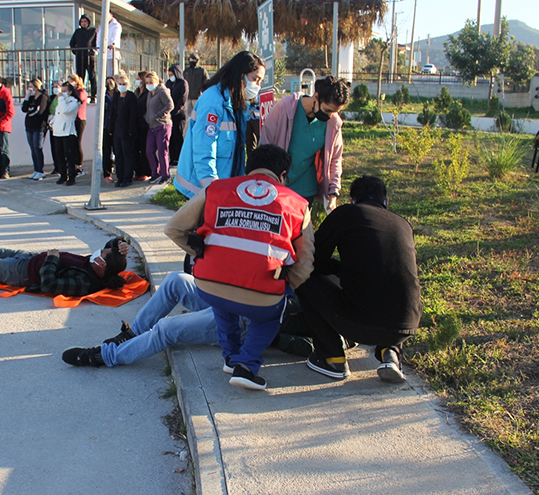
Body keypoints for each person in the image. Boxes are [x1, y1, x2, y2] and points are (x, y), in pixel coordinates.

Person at [165, 144, 314, 390]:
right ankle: (246, 365)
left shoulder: (216, 189)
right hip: (262, 293)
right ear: (283, 175)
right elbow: (306, 262)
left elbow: (173, 228)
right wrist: (285, 286)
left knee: (223, 302)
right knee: (270, 314)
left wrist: (201, 254)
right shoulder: (297, 204)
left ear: (247, 168)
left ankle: (230, 357)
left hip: (209, 286)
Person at [295, 175, 422, 384]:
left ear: (353, 200)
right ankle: (390, 354)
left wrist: (336, 268)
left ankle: (332, 357)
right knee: (392, 286)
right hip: (406, 324)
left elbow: (311, 260)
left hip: (360, 323)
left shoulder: (346, 214)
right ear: (386, 202)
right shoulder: (403, 224)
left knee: (302, 277)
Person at [61, 271, 315, 368]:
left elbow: (314, 345)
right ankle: (134, 333)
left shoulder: (343, 321)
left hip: (247, 324)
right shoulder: (326, 276)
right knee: (175, 281)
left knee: (167, 329)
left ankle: (105, 357)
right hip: (233, 296)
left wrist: (273, 338)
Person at [174, 51, 265, 199]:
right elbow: (204, 151)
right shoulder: (213, 102)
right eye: (255, 79)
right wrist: (215, 191)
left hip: (223, 184)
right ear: (241, 75)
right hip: (202, 189)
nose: (257, 86)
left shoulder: (236, 101)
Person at [0, 238, 129, 297]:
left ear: (103, 265)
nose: (100, 251)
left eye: (104, 254)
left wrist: (52, 259)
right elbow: (110, 245)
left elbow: (49, 285)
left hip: (22, 273)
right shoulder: (95, 266)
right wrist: (120, 243)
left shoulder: (84, 282)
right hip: (29, 259)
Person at [259, 76, 351, 210]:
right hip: (277, 187)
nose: (330, 116)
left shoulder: (333, 123)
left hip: (305, 189)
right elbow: (265, 145)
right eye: (328, 110)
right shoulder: (285, 108)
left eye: (335, 112)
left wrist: (333, 192)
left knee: (302, 230)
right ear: (316, 96)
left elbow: (335, 159)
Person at [144, 71, 174, 185]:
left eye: (151, 82)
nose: (149, 84)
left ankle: (165, 175)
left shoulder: (162, 91)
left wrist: (159, 114)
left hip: (163, 125)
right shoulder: (150, 93)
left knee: (162, 151)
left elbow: (170, 104)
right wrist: (148, 117)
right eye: (147, 82)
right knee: (149, 150)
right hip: (152, 126)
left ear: (156, 81)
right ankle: (155, 173)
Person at [110, 72, 138, 187]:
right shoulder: (116, 96)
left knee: (127, 155)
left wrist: (131, 130)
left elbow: (133, 115)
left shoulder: (131, 97)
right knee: (118, 155)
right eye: (120, 83)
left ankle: (127, 177)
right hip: (117, 130)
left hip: (127, 131)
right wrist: (111, 128)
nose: (122, 85)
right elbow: (113, 113)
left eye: (124, 83)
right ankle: (120, 177)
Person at [51, 82, 81, 186]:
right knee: (60, 154)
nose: (62, 93)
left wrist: (61, 99)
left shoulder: (73, 102)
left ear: (70, 91)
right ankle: (62, 175)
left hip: (68, 131)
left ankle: (71, 175)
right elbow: (58, 113)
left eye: (64, 91)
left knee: (69, 155)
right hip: (58, 131)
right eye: (61, 91)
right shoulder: (61, 101)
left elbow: (65, 110)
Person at [21, 78, 48, 180]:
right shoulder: (31, 98)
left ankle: (40, 170)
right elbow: (24, 109)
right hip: (29, 126)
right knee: (32, 148)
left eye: (31, 87)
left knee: (37, 148)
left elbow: (39, 111)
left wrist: (30, 111)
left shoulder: (43, 97)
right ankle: (36, 169)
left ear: (37, 87)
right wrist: (27, 97)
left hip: (39, 126)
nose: (30, 89)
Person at [69, 14, 97, 103]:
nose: (84, 23)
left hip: (90, 56)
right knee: (80, 77)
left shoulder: (93, 31)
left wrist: (93, 51)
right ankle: (79, 95)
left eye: (85, 21)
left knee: (92, 76)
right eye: (82, 21)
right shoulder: (78, 32)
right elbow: (72, 43)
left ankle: (93, 96)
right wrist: (76, 52)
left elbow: (97, 42)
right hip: (80, 57)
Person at [166, 64, 189, 165]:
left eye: (172, 74)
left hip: (179, 115)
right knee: (171, 138)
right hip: (169, 115)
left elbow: (183, 99)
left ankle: (179, 157)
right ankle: (172, 158)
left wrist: (175, 111)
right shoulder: (168, 83)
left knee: (178, 136)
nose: (171, 76)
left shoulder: (183, 83)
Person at [66, 74, 88, 176]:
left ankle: (78, 165)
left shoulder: (81, 91)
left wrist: (73, 91)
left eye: (71, 81)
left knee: (77, 142)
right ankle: (71, 165)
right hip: (71, 119)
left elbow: (79, 100)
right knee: (71, 143)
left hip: (79, 119)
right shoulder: (70, 92)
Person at [133, 71, 152, 181]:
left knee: (145, 149)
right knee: (136, 149)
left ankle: (146, 171)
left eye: (138, 78)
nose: (137, 80)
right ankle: (138, 171)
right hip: (136, 124)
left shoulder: (147, 93)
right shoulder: (136, 92)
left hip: (144, 124)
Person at [45, 80, 63, 177]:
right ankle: (56, 166)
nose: (55, 88)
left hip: (60, 126)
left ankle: (62, 167)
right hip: (51, 126)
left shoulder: (63, 98)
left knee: (60, 148)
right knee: (54, 147)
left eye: (57, 86)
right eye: (54, 86)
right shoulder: (52, 98)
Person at [183, 52, 209, 117]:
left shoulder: (202, 70)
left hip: (197, 98)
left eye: (194, 59)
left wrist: (201, 91)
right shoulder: (186, 71)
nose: (192, 61)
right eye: (190, 59)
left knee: (198, 115)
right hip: (188, 98)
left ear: (197, 60)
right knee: (188, 116)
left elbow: (207, 82)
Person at [102, 76, 116, 183]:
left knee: (118, 151)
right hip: (105, 127)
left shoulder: (119, 95)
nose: (109, 84)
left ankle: (119, 172)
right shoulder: (103, 97)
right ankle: (107, 174)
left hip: (116, 127)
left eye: (111, 82)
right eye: (107, 82)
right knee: (106, 151)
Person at [102, 13, 122, 78]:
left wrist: (113, 44)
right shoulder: (102, 26)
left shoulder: (116, 25)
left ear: (111, 15)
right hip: (103, 53)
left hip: (112, 53)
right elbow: (99, 37)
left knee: (112, 73)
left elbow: (116, 35)